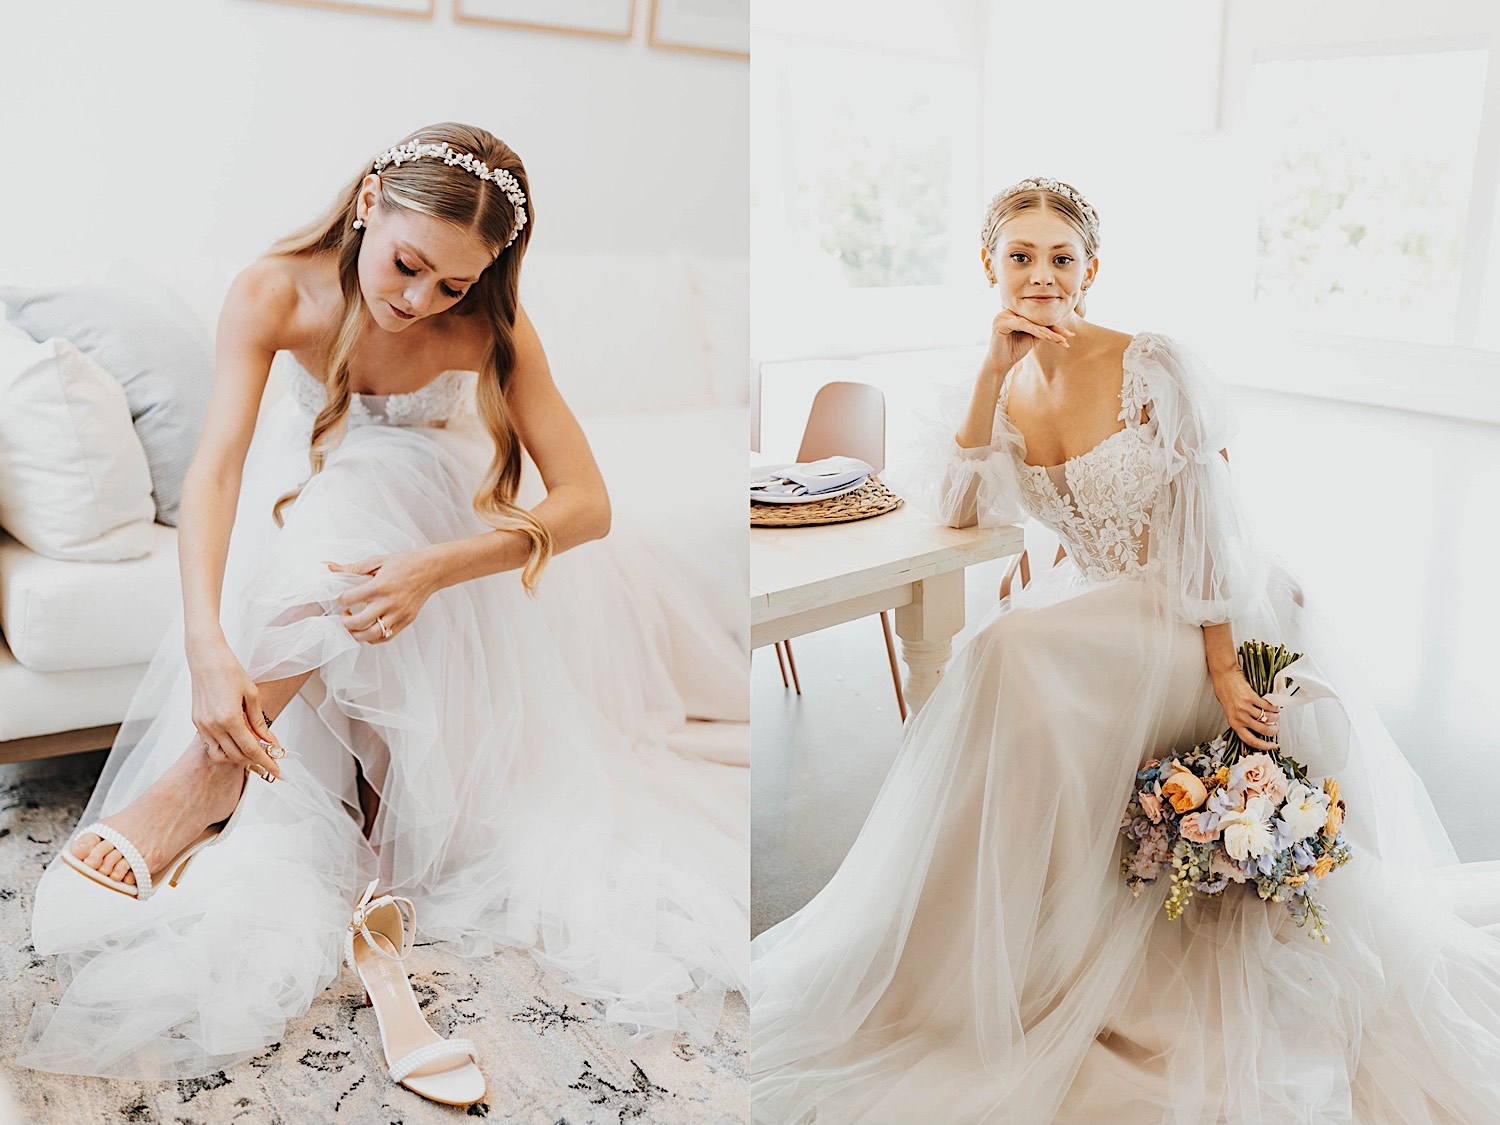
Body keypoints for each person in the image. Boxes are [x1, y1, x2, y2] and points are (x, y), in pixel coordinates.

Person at [749, 177, 1500, 1124]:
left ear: (1091, 270)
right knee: (1006, 657)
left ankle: (1054, 949)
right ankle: (1013, 946)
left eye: (1061, 257)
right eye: (1020, 256)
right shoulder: (1004, 382)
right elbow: (961, 508)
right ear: (990, 268)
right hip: (1108, 603)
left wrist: (1225, 666)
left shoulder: (1152, 365)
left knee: (1006, 652)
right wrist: (990, 371)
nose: (1041, 275)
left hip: (1205, 604)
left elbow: (1210, 526)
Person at [20, 123, 748, 1089]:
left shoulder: (489, 324)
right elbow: (218, 469)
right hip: (325, 513)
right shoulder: (274, 289)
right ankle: (256, 774)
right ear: (368, 203)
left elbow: (588, 503)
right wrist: (205, 641)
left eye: (452, 286)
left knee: (368, 499)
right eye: (408, 266)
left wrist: (435, 570)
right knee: (337, 512)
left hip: (442, 535)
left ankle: (212, 777)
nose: (418, 303)